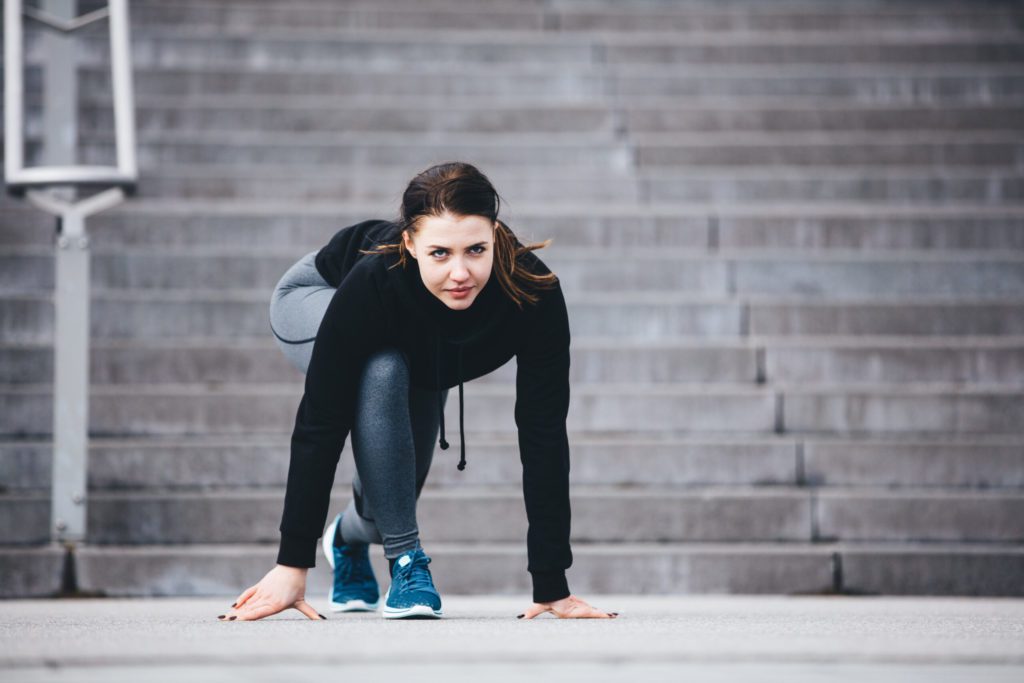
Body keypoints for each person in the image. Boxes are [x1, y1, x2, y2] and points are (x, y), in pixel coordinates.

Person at [218, 162, 617, 621]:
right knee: (383, 366)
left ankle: (346, 539)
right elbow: (320, 421)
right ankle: (407, 563)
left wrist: (552, 586)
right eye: (440, 253)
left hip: (417, 341)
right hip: (318, 296)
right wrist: (291, 564)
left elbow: (543, 431)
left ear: (497, 233)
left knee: (398, 487)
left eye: (476, 249)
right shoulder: (377, 279)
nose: (461, 272)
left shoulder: (534, 294)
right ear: (410, 243)